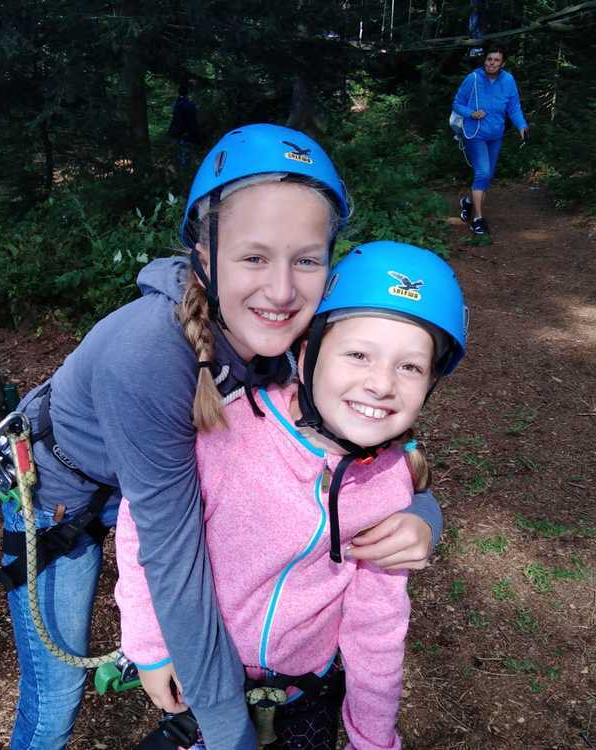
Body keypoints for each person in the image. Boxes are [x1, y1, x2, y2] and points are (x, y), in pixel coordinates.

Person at [0, 124, 444, 750]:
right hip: (65, 493)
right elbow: (171, 558)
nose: (282, 288)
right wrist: (226, 729)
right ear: (204, 257)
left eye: (306, 259)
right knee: (56, 700)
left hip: (161, 478)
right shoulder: (150, 356)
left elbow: (363, 433)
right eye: (254, 257)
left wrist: (423, 513)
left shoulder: (289, 325)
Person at [115, 241, 468, 750]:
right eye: (358, 354)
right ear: (307, 354)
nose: (381, 384)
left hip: (306, 691)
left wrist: (373, 739)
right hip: (206, 676)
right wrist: (150, 644)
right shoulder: (230, 431)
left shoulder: (390, 484)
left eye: (410, 367)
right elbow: (145, 529)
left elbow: (376, 628)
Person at [453, 46, 528, 237]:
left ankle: (467, 202)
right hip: (475, 133)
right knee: (483, 172)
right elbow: (457, 103)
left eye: (496, 60)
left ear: (502, 63)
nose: (492, 63)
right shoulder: (473, 78)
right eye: (489, 59)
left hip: (495, 135)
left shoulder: (508, 80)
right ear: (484, 60)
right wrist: (471, 113)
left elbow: (514, 107)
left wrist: (521, 126)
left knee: (487, 177)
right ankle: (478, 219)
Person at [168, 82, 202, 168]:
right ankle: (186, 171)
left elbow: (175, 119)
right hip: (188, 133)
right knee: (187, 155)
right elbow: (193, 120)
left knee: (179, 155)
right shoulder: (190, 104)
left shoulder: (175, 104)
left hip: (177, 133)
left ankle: (181, 171)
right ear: (187, 93)